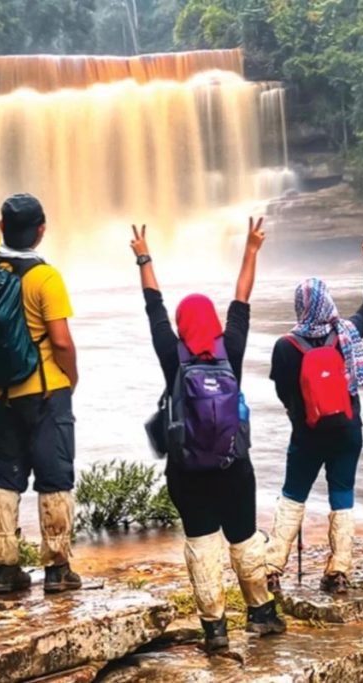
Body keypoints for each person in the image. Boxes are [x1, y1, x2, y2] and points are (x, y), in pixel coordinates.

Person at [130, 218, 285, 653]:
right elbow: (242, 297)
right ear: (214, 324)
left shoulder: (171, 355)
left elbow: (153, 306)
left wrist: (143, 256)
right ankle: (261, 613)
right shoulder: (230, 350)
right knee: (243, 537)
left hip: (186, 470)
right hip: (234, 465)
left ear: (182, 326)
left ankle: (214, 630)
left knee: (201, 545)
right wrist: (252, 250)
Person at [0, 165, 82, 595]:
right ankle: (57, 569)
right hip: (44, 391)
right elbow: (62, 341)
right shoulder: (45, 277)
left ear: (4, 228)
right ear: (41, 231)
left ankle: (4, 570)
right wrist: (71, 379)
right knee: (54, 477)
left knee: (4, 476)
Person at [266, 239, 363, 594]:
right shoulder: (347, 333)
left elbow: (283, 391)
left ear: (299, 306)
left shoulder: (286, 346)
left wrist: (298, 416)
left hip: (307, 434)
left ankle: (272, 569)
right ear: (326, 301)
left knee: (293, 495)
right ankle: (339, 570)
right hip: (347, 430)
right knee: (342, 492)